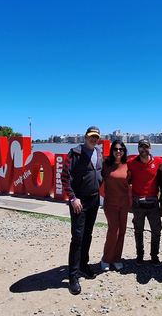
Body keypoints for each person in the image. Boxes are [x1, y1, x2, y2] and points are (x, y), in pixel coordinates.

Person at [61, 126, 103, 295]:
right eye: (91, 136)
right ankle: (73, 275)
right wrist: (72, 198)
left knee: (88, 235)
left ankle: (84, 266)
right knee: (77, 237)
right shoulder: (75, 153)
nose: (94, 139)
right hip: (79, 201)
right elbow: (64, 177)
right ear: (85, 136)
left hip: (94, 199)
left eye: (96, 137)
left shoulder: (99, 153)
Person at [127, 139, 162, 266]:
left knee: (156, 230)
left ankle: (154, 256)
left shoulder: (158, 161)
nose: (143, 150)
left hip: (153, 202)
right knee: (138, 230)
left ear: (150, 148)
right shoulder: (131, 162)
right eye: (141, 147)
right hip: (137, 203)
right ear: (138, 149)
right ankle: (140, 255)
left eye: (146, 147)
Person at [101, 140, 130, 272]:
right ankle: (106, 259)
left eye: (121, 149)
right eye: (116, 149)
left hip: (124, 202)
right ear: (112, 151)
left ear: (124, 151)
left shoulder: (127, 166)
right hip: (110, 202)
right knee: (114, 231)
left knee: (122, 231)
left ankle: (116, 259)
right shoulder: (105, 165)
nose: (118, 151)